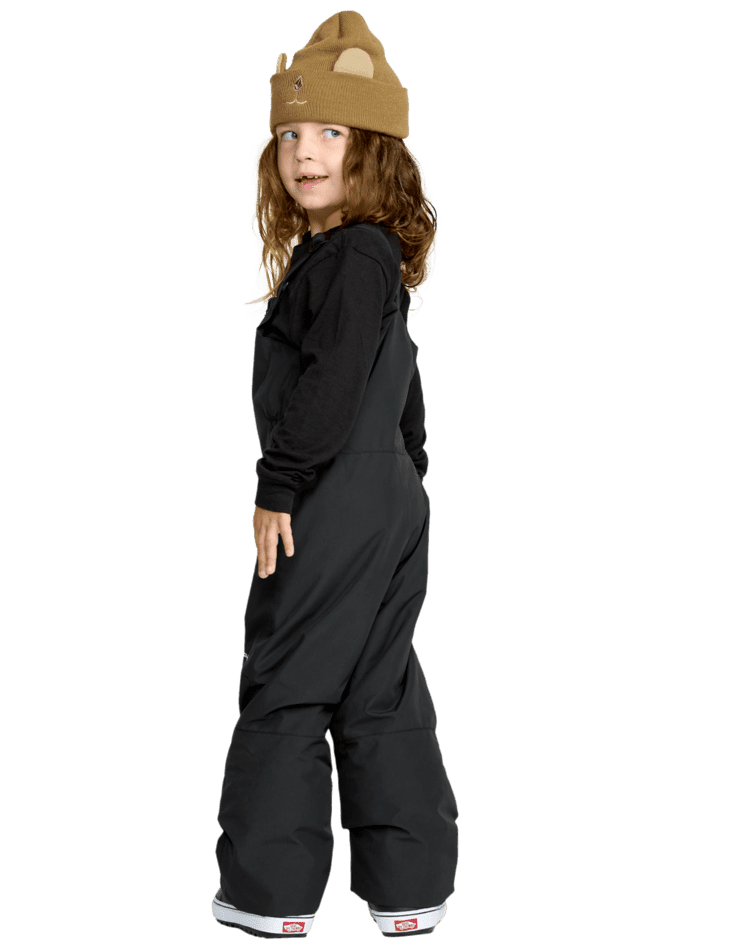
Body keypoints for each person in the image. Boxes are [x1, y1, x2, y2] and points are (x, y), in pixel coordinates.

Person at [211, 10, 459, 940]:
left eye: (331, 133)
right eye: (289, 134)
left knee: (287, 678)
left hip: (331, 494)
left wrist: (281, 485)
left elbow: (329, 381)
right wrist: (403, 483)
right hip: (387, 495)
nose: (305, 152)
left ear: (376, 152)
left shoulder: (349, 257)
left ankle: (269, 898)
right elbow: (402, 387)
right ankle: (410, 891)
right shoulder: (369, 260)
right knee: (376, 684)